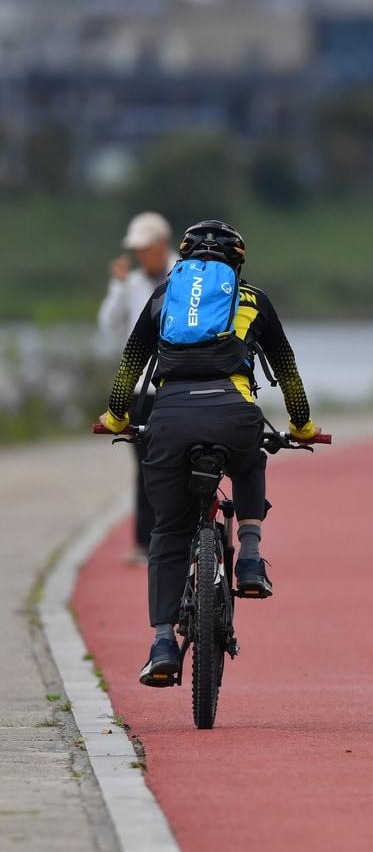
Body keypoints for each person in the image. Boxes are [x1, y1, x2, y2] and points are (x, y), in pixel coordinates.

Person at [96, 220, 320, 687]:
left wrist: (116, 418)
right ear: (237, 264)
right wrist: (302, 427)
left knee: (168, 531)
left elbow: (130, 366)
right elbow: (287, 370)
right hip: (233, 415)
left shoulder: (162, 299)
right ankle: (251, 558)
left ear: (185, 260)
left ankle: (162, 644)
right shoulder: (253, 300)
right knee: (251, 458)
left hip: (169, 420)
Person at [97, 212, 176, 561]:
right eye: (137, 249)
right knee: (145, 465)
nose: (141, 254)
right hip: (141, 390)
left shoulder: (185, 273)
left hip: (175, 383)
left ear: (162, 243)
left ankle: (180, 535)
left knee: (180, 464)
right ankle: (144, 542)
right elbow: (108, 324)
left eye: (146, 247)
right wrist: (117, 286)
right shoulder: (130, 284)